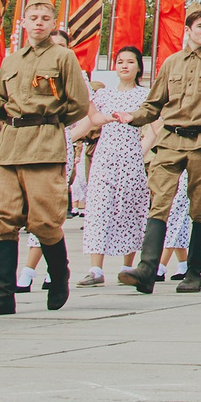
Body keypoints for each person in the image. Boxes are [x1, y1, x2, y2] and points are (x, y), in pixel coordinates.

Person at [0, 0, 92, 315]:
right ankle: (3, 294)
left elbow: (78, 103)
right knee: (1, 216)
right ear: (23, 23)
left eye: (44, 18)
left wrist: (50, 124)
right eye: (32, 17)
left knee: (44, 218)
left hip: (44, 144)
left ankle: (59, 274)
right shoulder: (11, 61)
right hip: (9, 144)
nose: (38, 22)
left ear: (53, 24)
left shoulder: (63, 57)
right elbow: (1, 103)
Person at [118, 8, 201, 294]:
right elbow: (154, 103)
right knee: (159, 200)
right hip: (171, 139)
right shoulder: (171, 63)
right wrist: (132, 117)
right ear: (188, 30)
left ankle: (193, 272)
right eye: (200, 26)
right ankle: (147, 269)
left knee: (200, 207)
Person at [80, 47, 153, 285]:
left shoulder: (146, 96)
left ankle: (127, 266)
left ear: (139, 67)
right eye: (120, 61)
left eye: (130, 62)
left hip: (131, 159)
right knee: (99, 209)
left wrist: (139, 152)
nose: (124, 66)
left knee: (130, 209)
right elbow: (94, 119)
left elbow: (154, 129)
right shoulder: (105, 95)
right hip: (105, 158)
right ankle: (96, 269)